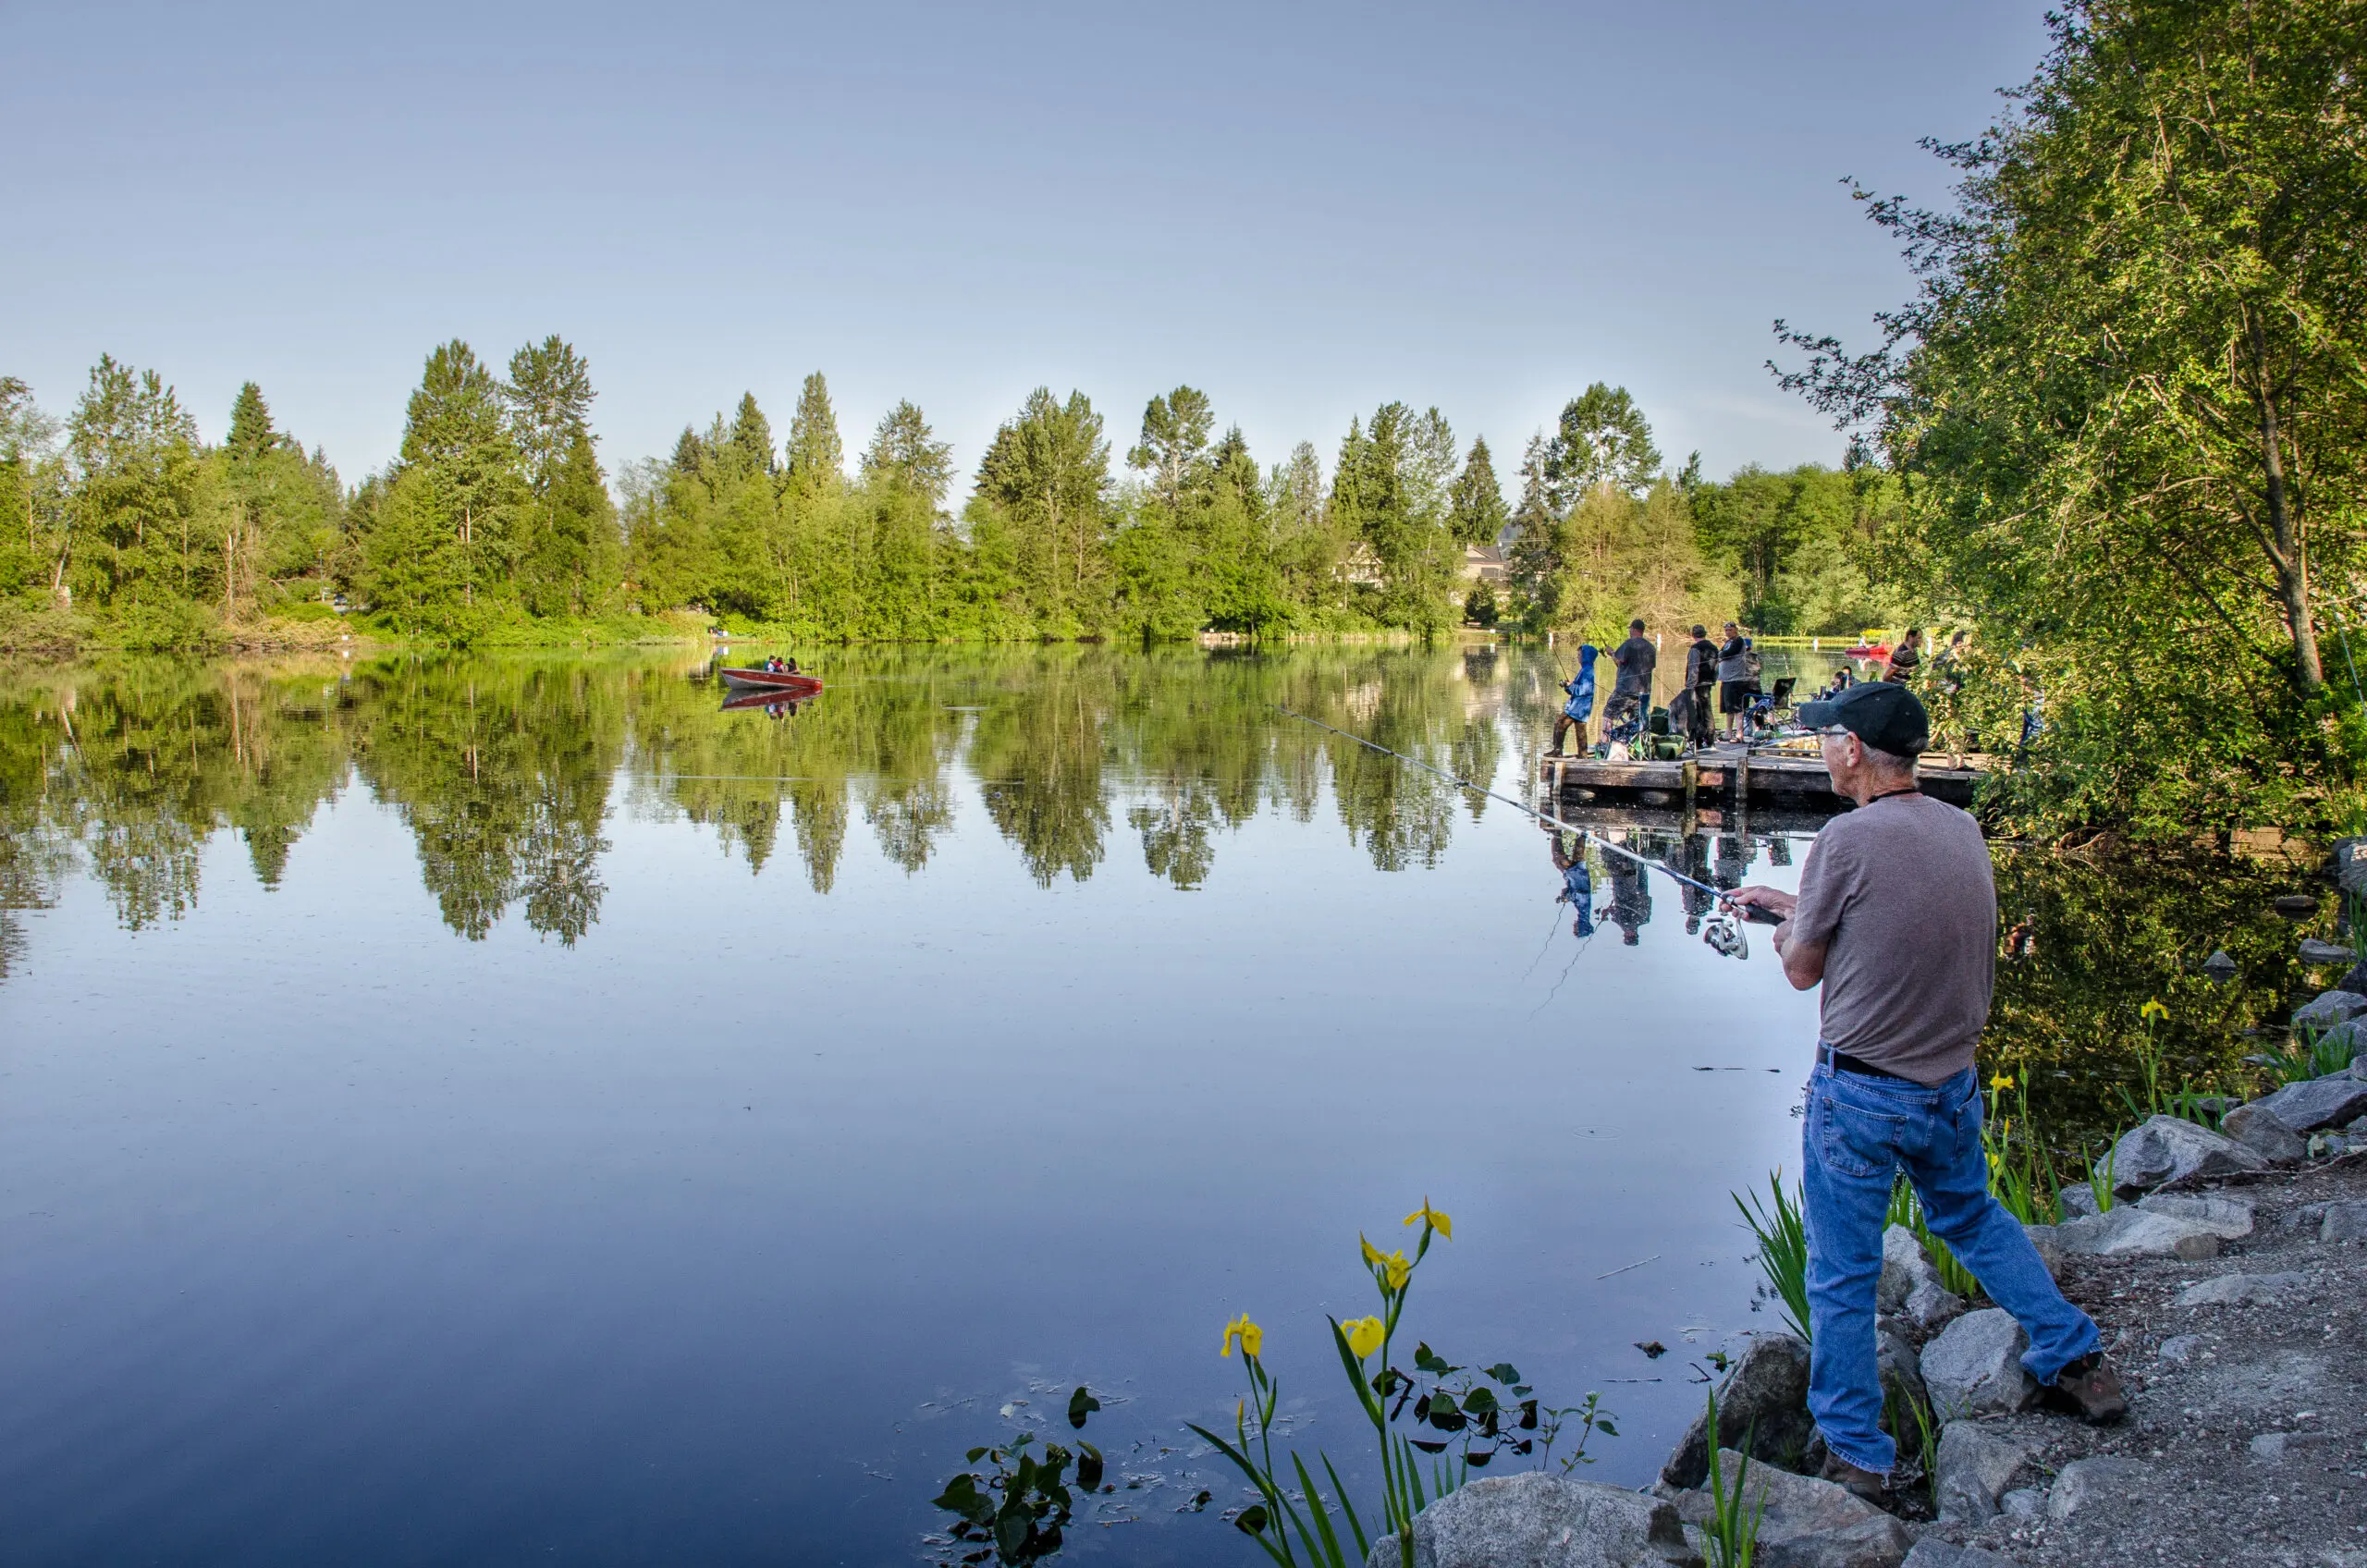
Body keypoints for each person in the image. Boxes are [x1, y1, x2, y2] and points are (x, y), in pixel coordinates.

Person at [1726, 682, 2123, 1505]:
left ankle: (1857, 1453)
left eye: (1828, 737)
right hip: (1950, 1087)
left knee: (1840, 1275)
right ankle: (2074, 1358)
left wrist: (1786, 932)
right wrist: (1787, 905)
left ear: (1857, 753)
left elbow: (1802, 970)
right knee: (1974, 1218)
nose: (1822, 748)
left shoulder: (1845, 837)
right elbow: (1901, 916)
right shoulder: (1960, 827)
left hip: (1863, 1097)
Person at [1551, 643, 1599, 757]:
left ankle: (1557, 752)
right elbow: (1576, 689)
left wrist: (1570, 685)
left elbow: (1582, 690)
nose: (1578, 657)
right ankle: (1583, 756)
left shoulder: (1587, 671)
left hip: (1577, 708)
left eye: (1579, 655)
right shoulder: (1586, 669)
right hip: (1583, 708)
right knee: (1581, 733)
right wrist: (1568, 686)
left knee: (1559, 724)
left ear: (1586, 656)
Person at [1549, 829, 1594, 938]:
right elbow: (1581, 895)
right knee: (1558, 859)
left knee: (1578, 855)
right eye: (1576, 928)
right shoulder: (1584, 912)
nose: (1574, 926)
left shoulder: (1582, 913)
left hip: (1579, 876)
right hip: (1577, 877)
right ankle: (1557, 832)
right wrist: (1568, 897)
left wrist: (1567, 896)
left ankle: (1582, 832)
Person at [1683, 623, 1720, 749]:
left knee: (1696, 713)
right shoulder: (1714, 648)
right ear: (1705, 633)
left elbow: (1693, 668)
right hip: (1708, 683)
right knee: (1708, 712)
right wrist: (1713, 681)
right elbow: (1716, 668)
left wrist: (1689, 686)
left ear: (1693, 635)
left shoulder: (1695, 648)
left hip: (1697, 684)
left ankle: (1698, 742)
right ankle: (1710, 740)